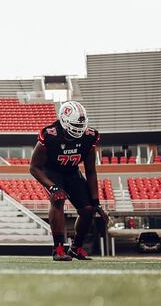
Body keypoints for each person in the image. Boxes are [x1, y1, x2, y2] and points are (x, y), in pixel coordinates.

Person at [30, 101, 108, 261]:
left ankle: (76, 248)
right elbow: (34, 167)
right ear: (64, 121)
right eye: (74, 125)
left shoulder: (89, 137)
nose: (78, 130)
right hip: (51, 172)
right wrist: (52, 188)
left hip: (72, 173)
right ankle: (58, 248)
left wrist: (96, 201)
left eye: (81, 126)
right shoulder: (50, 135)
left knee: (88, 209)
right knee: (58, 200)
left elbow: (91, 170)